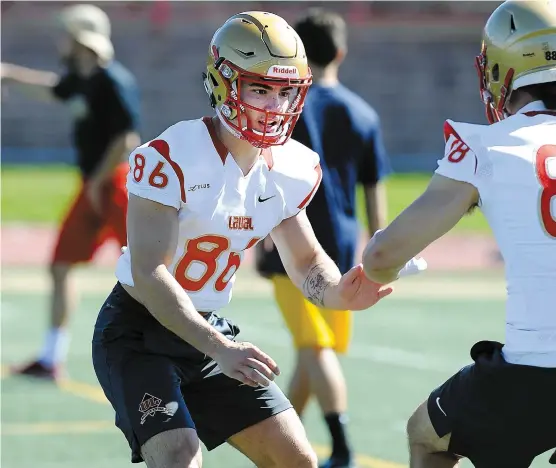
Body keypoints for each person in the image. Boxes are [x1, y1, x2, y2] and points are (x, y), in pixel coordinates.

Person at [89, 11, 420, 467]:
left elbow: (305, 261)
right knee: (180, 454)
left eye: (286, 92)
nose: (274, 105)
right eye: (259, 88)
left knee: (297, 459)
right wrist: (220, 348)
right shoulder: (172, 155)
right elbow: (149, 273)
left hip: (206, 331)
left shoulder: (291, 166)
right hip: (139, 332)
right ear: (224, 85)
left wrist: (340, 292)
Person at [362, 1, 556, 466]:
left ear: (501, 69)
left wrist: (383, 261)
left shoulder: (487, 146)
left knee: (425, 436)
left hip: (536, 371)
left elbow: (382, 256)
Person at [255, 8, 391, 468]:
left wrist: (259, 239)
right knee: (313, 351)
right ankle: (284, 440)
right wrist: (381, 250)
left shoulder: (288, 105)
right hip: (346, 247)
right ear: (342, 52)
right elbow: (375, 189)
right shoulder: (364, 113)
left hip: (294, 247)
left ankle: (342, 446)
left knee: (315, 350)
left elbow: (264, 172)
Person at [1, 4, 141, 381]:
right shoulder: (80, 77)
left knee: (146, 269)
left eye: (66, 34)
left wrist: (97, 181)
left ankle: (181, 345)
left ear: (81, 38)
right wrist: (9, 75)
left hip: (114, 183)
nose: (60, 41)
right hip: (94, 184)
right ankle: (51, 357)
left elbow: (127, 138)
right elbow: (53, 90)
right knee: (61, 266)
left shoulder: (113, 81)